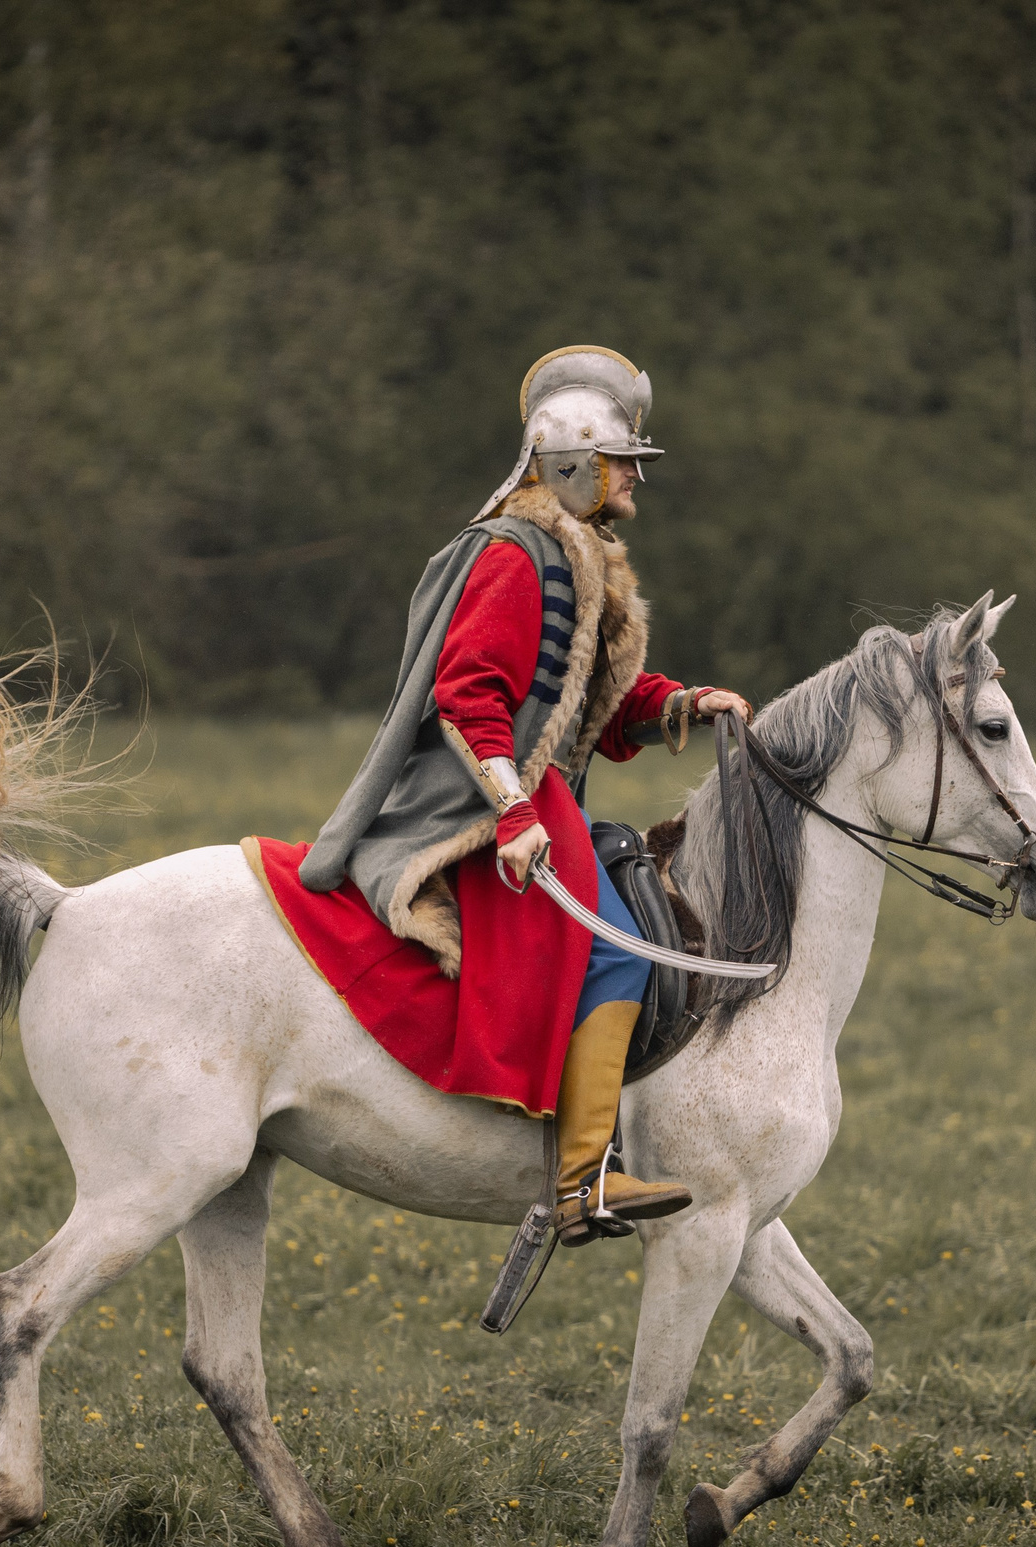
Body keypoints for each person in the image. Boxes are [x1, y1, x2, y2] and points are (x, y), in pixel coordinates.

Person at [295, 346, 751, 1244]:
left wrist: (690, 702)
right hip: (484, 806)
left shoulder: (577, 556)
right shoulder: (517, 556)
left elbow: (598, 709)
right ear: (576, 464)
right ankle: (584, 1184)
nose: (635, 482)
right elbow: (471, 697)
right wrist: (512, 812)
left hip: (543, 803)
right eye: (626, 464)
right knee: (619, 958)